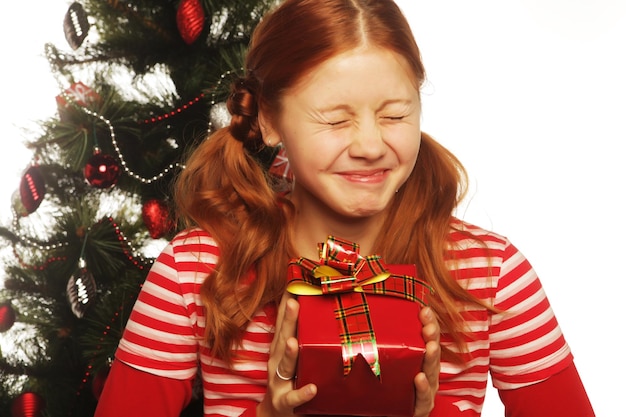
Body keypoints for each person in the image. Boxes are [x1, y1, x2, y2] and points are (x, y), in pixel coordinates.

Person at [95, 0, 596, 416]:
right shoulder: (193, 271)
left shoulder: (491, 273)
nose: (371, 145)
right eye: (336, 120)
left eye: (395, 114)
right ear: (269, 121)